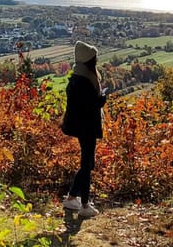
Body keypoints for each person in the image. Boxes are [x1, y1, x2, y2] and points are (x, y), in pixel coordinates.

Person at [61, 40, 107, 218]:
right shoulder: (84, 81)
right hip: (86, 126)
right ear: (89, 61)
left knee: (87, 162)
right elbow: (91, 105)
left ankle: (72, 198)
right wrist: (103, 98)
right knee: (87, 164)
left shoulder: (77, 78)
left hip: (81, 125)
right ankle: (84, 204)